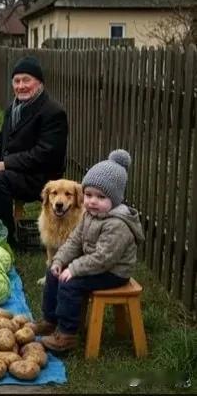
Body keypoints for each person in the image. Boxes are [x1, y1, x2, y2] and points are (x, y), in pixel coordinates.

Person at [39, 149, 145, 352]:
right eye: (88, 195)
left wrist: (75, 269)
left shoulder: (117, 225)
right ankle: (49, 320)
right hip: (95, 264)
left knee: (71, 283)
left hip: (113, 272)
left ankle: (67, 334)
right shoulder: (90, 215)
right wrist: (59, 261)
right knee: (54, 272)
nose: (92, 201)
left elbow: (103, 259)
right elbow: (74, 241)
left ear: (115, 199)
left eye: (101, 197)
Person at [0, 56, 68, 246]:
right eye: (16, 81)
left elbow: (45, 154)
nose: (21, 86)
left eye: (27, 80)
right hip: (16, 171)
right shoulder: (14, 108)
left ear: (39, 82)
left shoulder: (53, 112)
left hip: (40, 177)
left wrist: (5, 164)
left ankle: (6, 240)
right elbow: (1, 139)